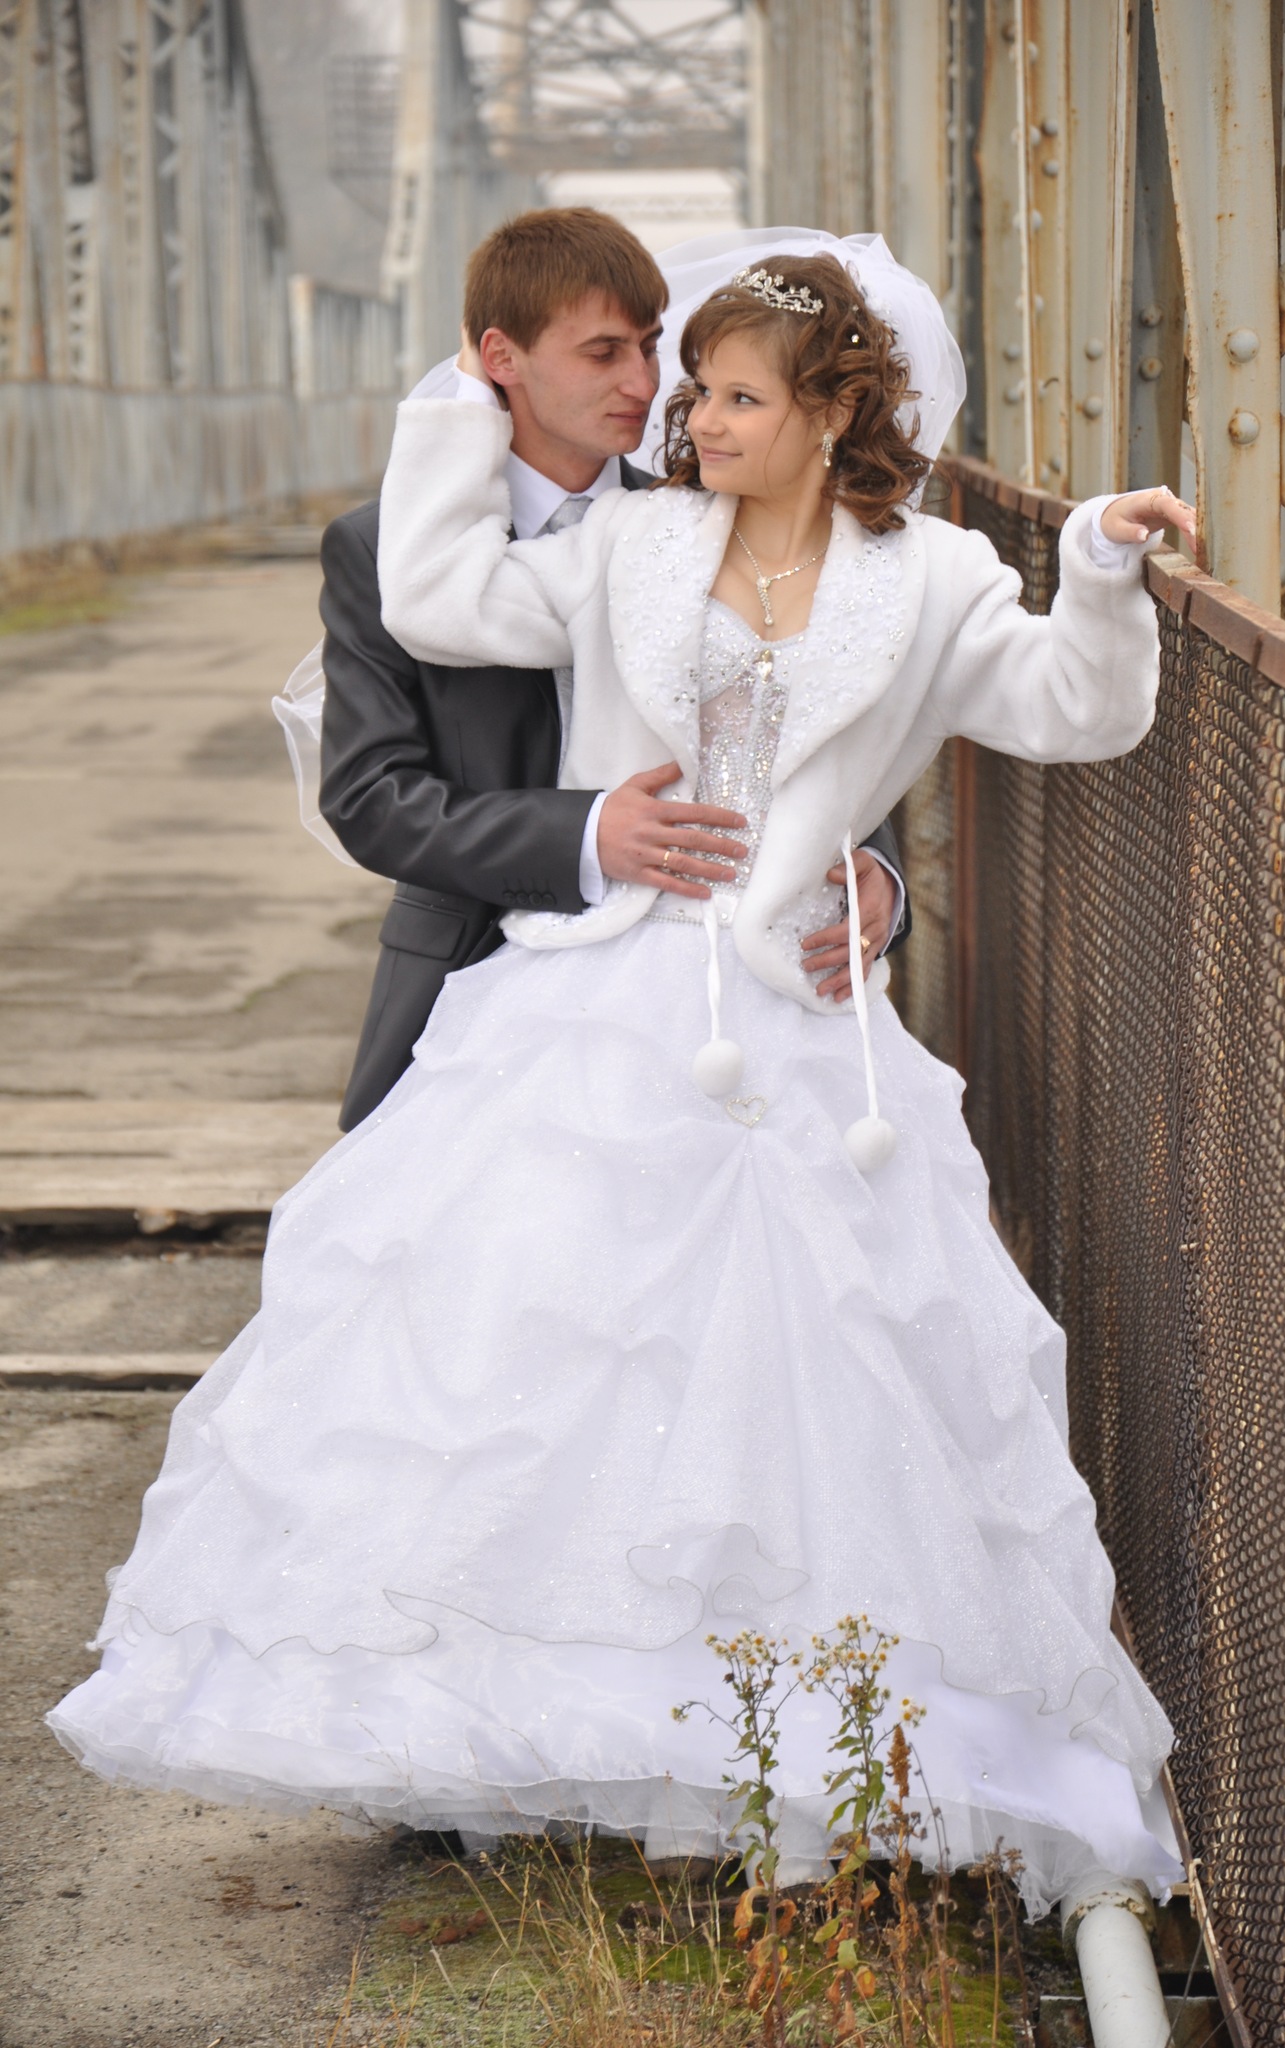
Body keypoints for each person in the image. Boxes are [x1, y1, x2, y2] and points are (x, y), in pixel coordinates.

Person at [49, 231, 1196, 1921]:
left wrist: (1095, 566)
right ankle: (498, 1732)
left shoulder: (936, 577)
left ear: (829, 412)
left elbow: (1075, 713)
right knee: (523, 1363)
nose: (689, 415)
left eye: (731, 393)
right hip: (587, 1004)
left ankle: (796, 1749)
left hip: (792, 1024)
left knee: (800, 1389)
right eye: (686, 385)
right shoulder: (631, 543)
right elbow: (437, 601)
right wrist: (460, 407)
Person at [308, 208, 907, 1130]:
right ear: (501, 358)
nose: (643, 382)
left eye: (651, 345)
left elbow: (819, 704)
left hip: (713, 1002)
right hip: (466, 984)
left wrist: (873, 866)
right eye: (602, 353)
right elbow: (369, 796)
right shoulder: (383, 552)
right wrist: (585, 835)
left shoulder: (707, 518)